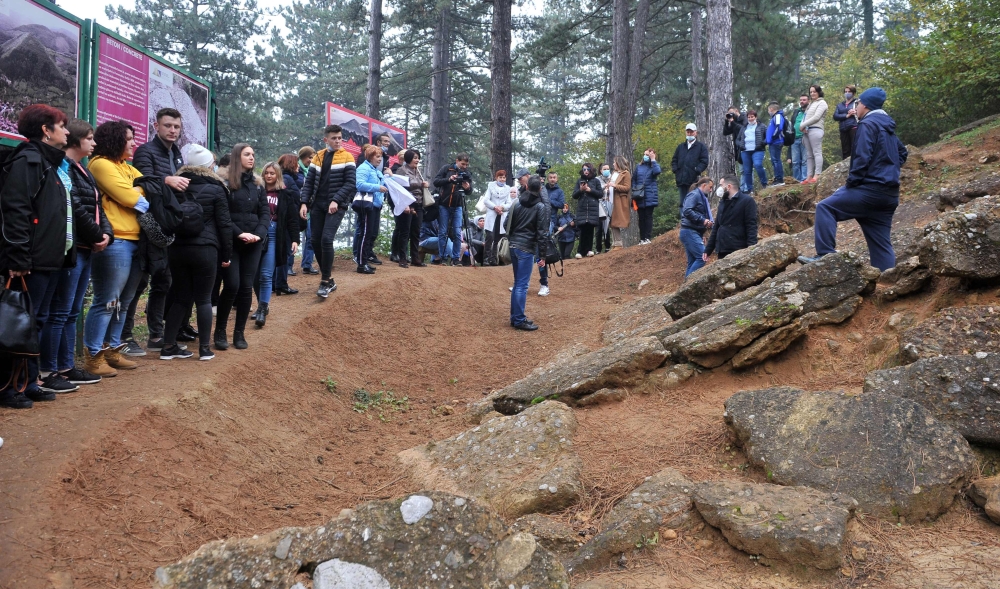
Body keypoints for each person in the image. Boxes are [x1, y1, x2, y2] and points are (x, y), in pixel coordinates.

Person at [0, 105, 73, 408]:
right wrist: (18, 257)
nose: (67, 132)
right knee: (18, 323)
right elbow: (16, 210)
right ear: (46, 130)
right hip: (29, 261)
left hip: (48, 260)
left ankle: (29, 382)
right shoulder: (29, 161)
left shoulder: (49, 164)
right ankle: (8, 387)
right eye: (62, 125)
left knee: (36, 322)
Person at [39, 118, 113, 392]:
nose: (94, 143)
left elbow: (97, 205)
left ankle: (67, 366)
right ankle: (51, 368)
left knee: (71, 311)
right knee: (59, 312)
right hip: (72, 249)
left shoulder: (83, 169)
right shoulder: (63, 167)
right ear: (76, 140)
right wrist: (96, 235)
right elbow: (76, 208)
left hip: (87, 248)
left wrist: (106, 234)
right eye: (90, 137)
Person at [797, 88, 907, 272]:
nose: (857, 105)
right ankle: (889, 280)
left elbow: (862, 157)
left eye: (859, 102)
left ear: (865, 105)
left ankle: (824, 255)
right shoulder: (887, 127)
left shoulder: (867, 124)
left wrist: (852, 183)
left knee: (826, 207)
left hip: (868, 190)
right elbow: (902, 153)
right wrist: (887, 168)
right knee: (880, 243)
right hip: (888, 194)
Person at [124, 107, 191, 356]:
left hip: (169, 225)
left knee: (164, 281)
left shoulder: (177, 153)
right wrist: (167, 180)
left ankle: (156, 334)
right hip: (146, 225)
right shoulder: (145, 151)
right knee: (139, 283)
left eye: (176, 126)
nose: (172, 130)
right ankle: (125, 335)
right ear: (156, 126)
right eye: (168, 126)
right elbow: (141, 183)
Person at [84, 120, 146, 375]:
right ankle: (93, 356)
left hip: (136, 241)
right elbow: (132, 198)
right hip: (116, 242)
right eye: (129, 139)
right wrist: (137, 194)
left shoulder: (127, 168)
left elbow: (147, 192)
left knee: (125, 300)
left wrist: (138, 193)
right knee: (107, 300)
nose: (133, 143)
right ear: (115, 140)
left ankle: (113, 349)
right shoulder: (100, 164)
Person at [160, 144, 232, 360]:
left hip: (178, 248)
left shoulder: (176, 185)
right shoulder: (217, 189)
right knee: (203, 299)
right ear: (207, 166)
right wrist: (226, 254)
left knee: (181, 297)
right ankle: (204, 349)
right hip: (206, 249)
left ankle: (168, 346)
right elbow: (224, 224)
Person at [215, 143, 267, 351]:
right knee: (232, 286)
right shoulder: (224, 183)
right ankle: (220, 332)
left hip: (254, 243)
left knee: (246, 288)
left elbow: (265, 213)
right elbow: (223, 215)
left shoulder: (258, 185)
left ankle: (239, 333)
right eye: (247, 154)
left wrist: (259, 235)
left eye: (253, 154)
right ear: (237, 157)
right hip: (231, 242)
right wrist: (239, 233)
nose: (252, 158)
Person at [300, 125, 356, 298]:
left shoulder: (348, 157)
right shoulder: (318, 156)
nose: (338, 141)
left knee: (326, 239)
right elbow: (308, 183)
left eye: (340, 137)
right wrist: (303, 203)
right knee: (315, 240)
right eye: (334, 138)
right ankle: (329, 278)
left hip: (336, 205)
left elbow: (350, 184)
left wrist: (336, 200)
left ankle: (325, 281)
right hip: (317, 204)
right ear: (326, 140)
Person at [251, 161, 300, 329]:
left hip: (274, 235)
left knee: (266, 274)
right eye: (267, 173)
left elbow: (293, 219)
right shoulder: (256, 191)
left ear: (277, 175)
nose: (269, 176)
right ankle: (261, 304)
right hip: (256, 234)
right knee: (254, 275)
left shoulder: (285, 195)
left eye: (272, 173)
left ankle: (262, 309)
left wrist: (295, 239)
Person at [508, 175, 549, 331]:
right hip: (526, 248)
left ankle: (515, 317)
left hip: (513, 246)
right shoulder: (540, 207)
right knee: (522, 285)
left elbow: (507, 224)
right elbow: (542, 233)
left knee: (518, 283)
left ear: (526, 187)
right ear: (539, 189)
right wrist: (543, 256)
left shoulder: (516, 203)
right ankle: (518, 320)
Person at [703, 175, 758, 261]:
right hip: (722, 249)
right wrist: (708, 250)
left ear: (729, 186)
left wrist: (751, 248)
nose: (719, 188)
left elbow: (751, 226)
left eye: (721, 185)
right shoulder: (723, 202)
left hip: (738, 249)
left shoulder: (747, 201)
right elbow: (717, 227)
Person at [354, 144, 389, 274]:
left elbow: (384, 183)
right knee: (365, 234)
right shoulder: (364, 168)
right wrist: (377, 187)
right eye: (377, 156)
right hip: (367, 205)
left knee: (371, 234)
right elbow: (359, 184)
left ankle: (365, 260)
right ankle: (361, 264)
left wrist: (389, 177)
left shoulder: (375, 170)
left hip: (376, 205)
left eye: (380, 156)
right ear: (370, 156)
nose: (380, 159)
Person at [515, 168, 550, 295]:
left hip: (539, 227)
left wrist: (545, 226)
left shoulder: (539, 186)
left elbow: (546, 205)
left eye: (520, 178)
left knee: (540, 256)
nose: (519, 181)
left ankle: (544, 284)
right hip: (525, 229)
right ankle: (520, 284)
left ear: (527, 176)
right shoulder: (522, 190)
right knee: (523, 257)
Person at [433, 153, 472, 266]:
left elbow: (469, 191)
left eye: (466, 164)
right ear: (457, 161)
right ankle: (443, 257)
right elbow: (436, 182)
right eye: (463, 164)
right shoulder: (447, 168)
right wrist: (449, 179)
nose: (464, 166)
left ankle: (455, 258)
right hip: (444, 204)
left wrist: (468, 188)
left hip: (458, 205)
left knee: (457, 232)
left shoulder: (467, 174)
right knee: (443, 232)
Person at [273, 154, 303, 293]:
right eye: (296, 163)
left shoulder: (285, 178)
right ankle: (281, 284)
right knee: (283, 252)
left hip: (282, 221)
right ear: (291, 164)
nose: (298, 166)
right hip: (285, 222)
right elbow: (290, 201)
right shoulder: (287, 179)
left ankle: (277, 283)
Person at [679, 177, 715, 277]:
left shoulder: (702, 197)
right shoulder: (694, 195)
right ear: (704, 185)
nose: (711, 190)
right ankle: (687, 286)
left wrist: (702, 233)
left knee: (693, 261)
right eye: (710, 187)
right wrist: (703, 220)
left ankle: (685, 290)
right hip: (689, 231)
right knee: (702, 257)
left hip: (694, 232)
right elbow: (687, 211)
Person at [725, 109, 768, 193]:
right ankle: (749, 189)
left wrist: (763, 143)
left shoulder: (762, 126)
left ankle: (764, 184)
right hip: (745, 151)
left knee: (758, 165)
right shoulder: (744, 127)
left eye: (752, 117)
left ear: (755, 117)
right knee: (747, 170)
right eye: (749, 117)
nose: (750, 118)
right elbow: (738, 139)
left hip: (757, 150)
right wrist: (740, 145)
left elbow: (768, 136)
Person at [400, 149, 429, 267]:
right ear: (408, 158)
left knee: (416, 232)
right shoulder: (401, 170)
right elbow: (401, 187)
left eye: (418, 158)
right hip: (407, 202)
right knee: (405, 231)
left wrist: (425, 186)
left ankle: (415, 258)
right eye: (415, 157)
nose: (417, 160)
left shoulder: (419, 171)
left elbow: (421, 187)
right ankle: (402, 258)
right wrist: (405, 204)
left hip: (419, 203)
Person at [670, 123, 709, 212]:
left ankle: (692, 221)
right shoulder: (680, 147)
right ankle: (683, 222)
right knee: (682, 203)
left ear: (696, 133)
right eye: (688, 132)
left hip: (694, 180)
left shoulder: (701, 147)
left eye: (691, 132)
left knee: (693, 202)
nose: (690, 134)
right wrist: (676, 170)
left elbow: (704, 161)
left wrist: (697, 170)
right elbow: (674, 160)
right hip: (681, 179)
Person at [482, 169, 515, 265]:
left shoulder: (507, 188)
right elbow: (486, 200)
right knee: (490, 237)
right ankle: (486, 258)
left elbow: (509, 203)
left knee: (498, 238)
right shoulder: (491, 186)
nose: (502, 179)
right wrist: (495, 207)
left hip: (501, 215)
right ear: (496, 178)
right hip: (492, 214)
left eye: (504, 177)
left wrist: (502, 208)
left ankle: (494, 258)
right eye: (500, 177)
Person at [572, 163, 603, 257]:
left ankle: (589, 250)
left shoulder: (596, 181)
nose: (585, 171)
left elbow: (600, 194)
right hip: (582, 209)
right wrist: (581, 190)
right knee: (582, 230)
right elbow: (574, 195)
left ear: (591, 170)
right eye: (584, 169)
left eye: (587, 169)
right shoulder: (579, 181)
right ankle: (580, 251)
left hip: (592, 209)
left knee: (590, 229)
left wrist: (590, 190)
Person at [800, 85, 829, 184]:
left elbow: (816, 117)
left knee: (817, 152)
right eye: (811, 92)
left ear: (819, 92)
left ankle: (817, 175)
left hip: (816, 129)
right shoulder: (810, 104)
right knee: (809, 155)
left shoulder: (822, 103)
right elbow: (805, 117)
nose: (812, 93)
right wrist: (803, 127)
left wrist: (803, 125)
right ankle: (809, 176)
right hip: (807, 131)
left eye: (814, 92)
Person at [296, 146, 318, 274]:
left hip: (310, 208)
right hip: (296, 207)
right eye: (310, 157)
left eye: (313, 157)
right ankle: (287, 266)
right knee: (293, 237)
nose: (311, 160)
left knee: (311, 237)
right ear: (302, 156)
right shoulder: (295, 169)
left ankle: (307, 264)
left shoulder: (313, 170)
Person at [632, 148, 661, 244]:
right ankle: (642, 238)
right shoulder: (639, 167)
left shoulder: (654, 166)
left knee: (648, 216)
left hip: (650, 195)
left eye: (648, 155)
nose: (645, 156)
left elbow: (657, 172)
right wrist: (635, 189)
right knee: (641, 217)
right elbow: (634, 179)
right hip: (639, 195)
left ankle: (648, 238)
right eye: (644, 154)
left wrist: (653, 160)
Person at [833, 84, 860, 161]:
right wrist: (847, 115)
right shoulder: (840, 105)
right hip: (843, 129)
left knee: (854, 148)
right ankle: (845, 169)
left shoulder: (857, 102)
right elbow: (835, 116)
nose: (847, 93)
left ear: (853, 93)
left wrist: (855, 111)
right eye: (846, 92)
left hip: (854, 127)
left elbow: (863, 113)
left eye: (849, 92)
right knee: (845, 150)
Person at [609, 156, 632, 248]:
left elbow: (627, 187)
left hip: (619, 200)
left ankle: (618, 243)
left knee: (616, 221)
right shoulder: (614, 173)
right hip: (610, 198)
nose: (613, 164)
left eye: (614, 162)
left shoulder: (626, 173)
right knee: (611, 221)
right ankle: (615, 243)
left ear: (618, 163)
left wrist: (615, 186)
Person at [765, 102, 787, 187]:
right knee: (775, 161)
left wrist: (773, 137)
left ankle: (779, 179)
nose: (768, 112)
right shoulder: (774, 117)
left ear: (771, 109)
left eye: (768, 110)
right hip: (773, 142)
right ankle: (777, 178)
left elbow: (779, 127)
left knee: (776, 160)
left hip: (776, 142)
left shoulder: (777, 116)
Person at [789, 94, 809, 182]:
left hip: (805, 137)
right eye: (801, 100)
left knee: (805, 160)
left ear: (808, 101)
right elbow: (792, 123)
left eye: (804, 100)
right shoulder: (796, 111)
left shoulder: (810, 111)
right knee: (795, 161)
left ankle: (804, 179)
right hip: (795, 138)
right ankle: (796, 180)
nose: (802, 101)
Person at [595, 163, 613, 253]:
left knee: (607, 226)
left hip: (609, 203)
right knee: (599, 227)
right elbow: (596, 190)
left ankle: (608, 246)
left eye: (608, 168)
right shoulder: (597, 179)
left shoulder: (612, 178)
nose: (606, 170)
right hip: (600, 204)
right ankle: (598, 248)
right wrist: (604, 186)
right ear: (601, 170)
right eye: (604, 169)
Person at [724, 106, 747, 173]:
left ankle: (748, 184)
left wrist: (732, 122)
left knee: (747, 169)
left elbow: (742, 129)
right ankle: (743, 184)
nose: (731, 114)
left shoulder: (744, 117)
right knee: (742, 171)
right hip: (738, 149)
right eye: (729, 113)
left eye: (732, 112)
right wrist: (726, 122)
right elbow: (725, 132)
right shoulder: (734, 121)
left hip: (745, 147)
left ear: (736, 111)